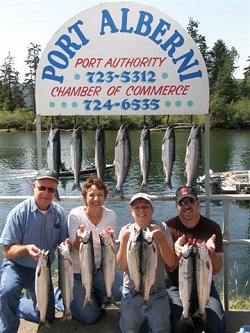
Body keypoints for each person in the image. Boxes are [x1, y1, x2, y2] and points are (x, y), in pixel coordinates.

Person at [0, 168, 68, 333]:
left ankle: (20, 304)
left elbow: (63, 242)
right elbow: (7, 251)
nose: (46, 193)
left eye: (51, 189)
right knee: (8, 291)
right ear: (34, 186)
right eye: (42, 188)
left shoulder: (60, 213)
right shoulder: (19, 213)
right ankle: (8, 328)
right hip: (16, 266)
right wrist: (26, 249)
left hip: (42, 270)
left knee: (47, 316)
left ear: (55, 191)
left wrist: (67, 243)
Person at [55, 175, 122, 324]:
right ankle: (60, 297)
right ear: (85, 197)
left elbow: (109, 250)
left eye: (100, 195)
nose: (96, 199)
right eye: (91, 195)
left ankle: (94, 294)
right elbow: (75, 246)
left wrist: (110, 240)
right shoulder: (75, 215)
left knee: (120, 292)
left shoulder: (111, 215)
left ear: (105, 197)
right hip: (77, 273)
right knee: (90, 318)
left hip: (99, 270)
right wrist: (80, 238)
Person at [165, 186, 226, 333]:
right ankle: (188, 314)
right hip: (176, 285)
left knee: (216, 327)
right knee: (180, 328)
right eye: (182, 203)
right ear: (176, 206)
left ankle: (201, 311)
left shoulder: (212, 228)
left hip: (205, 284)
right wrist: (175, 252)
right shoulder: (168, 228)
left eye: (190, 201)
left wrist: (210, 252)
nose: (187, 206)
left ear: (197, 203)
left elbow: (217, 270)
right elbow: (169, 268)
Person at [117, 192, 177, 333]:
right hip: (131, 292)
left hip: (157, 292)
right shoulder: (126, 231)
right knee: (129, 329)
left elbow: (171, 262)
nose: (141, 210)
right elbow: (122, 266)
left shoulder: (161, 228)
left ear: (152, 210)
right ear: (131, 212)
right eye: (136, 207)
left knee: (161, 329)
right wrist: (124, 241)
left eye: (145, 207)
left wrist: (161, 239)